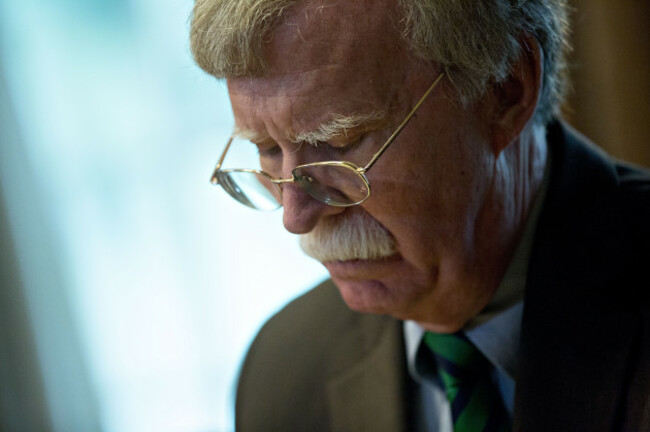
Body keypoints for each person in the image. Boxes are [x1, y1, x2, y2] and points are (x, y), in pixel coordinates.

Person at [190, 0, 650, 430]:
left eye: (341, 144)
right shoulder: (285, 373)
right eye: (267, 149)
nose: (297, 217)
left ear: (505, 88)